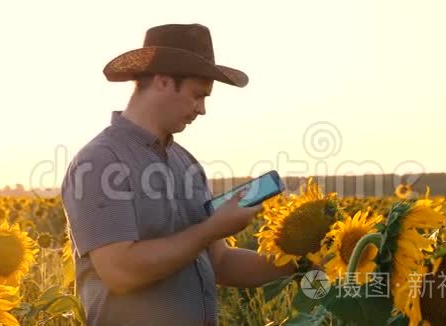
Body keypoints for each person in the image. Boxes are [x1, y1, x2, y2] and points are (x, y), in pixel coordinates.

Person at [60, 23, 295, 326]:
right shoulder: (99, 162)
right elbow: (120, 271)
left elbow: (220, 263)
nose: (202, 109)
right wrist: (212, 228)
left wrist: (300, 261)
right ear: (163, 81)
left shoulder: (187, 164)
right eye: (198, 95)